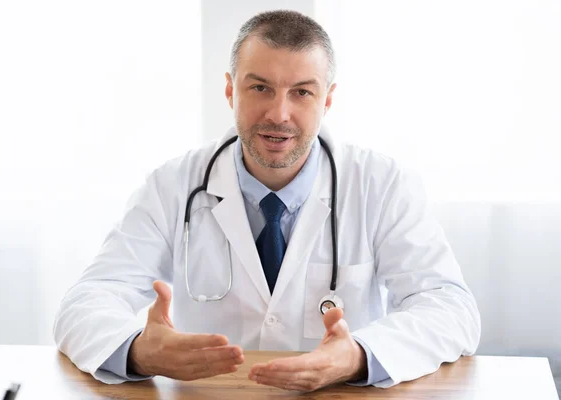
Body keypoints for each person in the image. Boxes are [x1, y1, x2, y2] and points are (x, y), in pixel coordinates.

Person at [53, 10, 481, 391]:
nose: (279, 113)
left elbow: (450, 308)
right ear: (230, 90)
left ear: (328, 99)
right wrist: (138, 351)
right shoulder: (172, 185)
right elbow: (86, 301)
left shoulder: (382, 184)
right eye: (260, 88)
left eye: (302, 92)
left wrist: (358, 357)